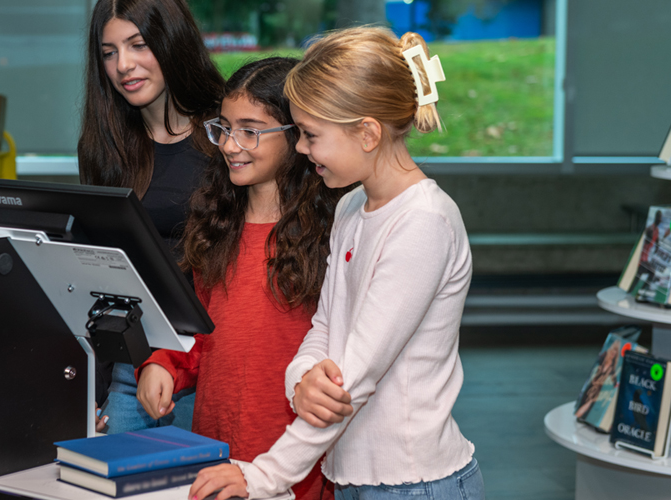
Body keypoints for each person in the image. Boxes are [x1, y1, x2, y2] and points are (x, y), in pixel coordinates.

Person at [188, 27, 486, 500]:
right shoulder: (351, 207)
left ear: (367, 133)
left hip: (414, 484)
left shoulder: (423, 223)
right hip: (350, 475)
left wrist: (263, 476)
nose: (302, 150)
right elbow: (325, 328)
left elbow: (355, 376)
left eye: (310, 135)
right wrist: (300, 378)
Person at [135, 57, 353, 500]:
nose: (231, 145)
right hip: (215, 455)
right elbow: (198, 329)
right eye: (224, 128)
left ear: (298, 136)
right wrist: (163, 363)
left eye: (250, 131)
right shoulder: (215, 223)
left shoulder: (333, 232)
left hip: (296, 463)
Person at [78, 0, 225, 434]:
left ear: (171, 43)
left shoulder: (226, 136)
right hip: (132, 360)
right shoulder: (105, 146)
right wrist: (97, 385)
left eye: (138, 45)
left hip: (209, 359)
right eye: (109, 52)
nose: (123, 65)